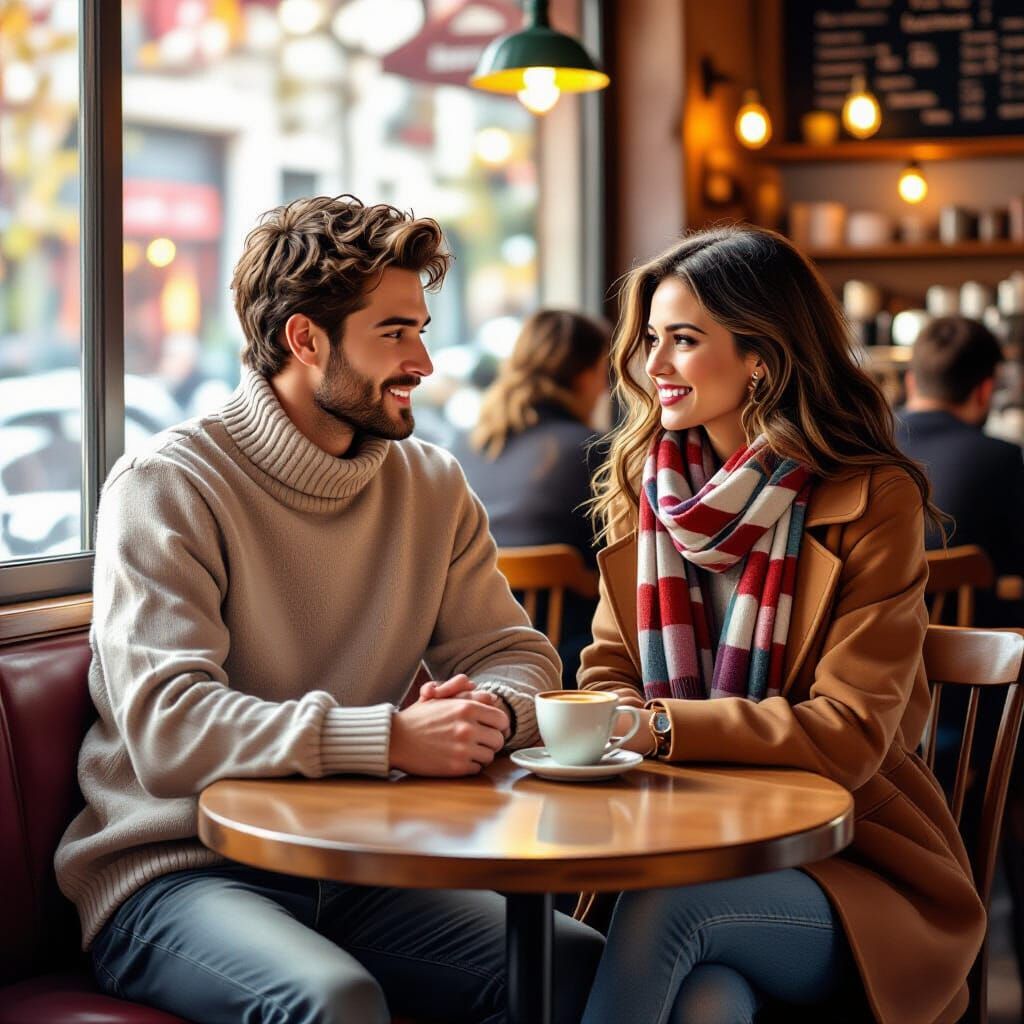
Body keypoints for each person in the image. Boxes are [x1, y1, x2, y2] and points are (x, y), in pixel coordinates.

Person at [55, 195, 603, 1024]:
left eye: (422, 328)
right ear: (303, 339)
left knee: (576, 965)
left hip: (359, 863)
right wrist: (390, 738)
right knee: (333, 1000)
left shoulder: (431, 483)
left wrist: (487, 709)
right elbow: (168, 728)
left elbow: (517, 654)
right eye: (394, 333)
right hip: (178, 872)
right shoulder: (168, 484)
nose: (424, 360)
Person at [575, 225, 985, 1024]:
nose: (653, 366)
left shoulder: (871, 498)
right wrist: (630, 720)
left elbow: (849, 734)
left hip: (851, 865)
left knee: (670, 910)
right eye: (652, 339)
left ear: (761, 354)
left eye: (684, 341)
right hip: (680, 837)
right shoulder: (650, 489)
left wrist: (657, 727)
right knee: (708, 1002)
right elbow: (605, 677)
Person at [452, 310, 610, 683]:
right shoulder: (595, 451)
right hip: (562, 661)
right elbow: (615, 570)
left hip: (470, 654)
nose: (606, 388)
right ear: (585, 376)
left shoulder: (462, 445)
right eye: (605, 372)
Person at [895, 315, 1024, 626]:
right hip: (964, 663)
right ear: (985, 390)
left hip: (861, 653)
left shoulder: (856, 445)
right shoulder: (999, 458)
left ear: (910, 381)